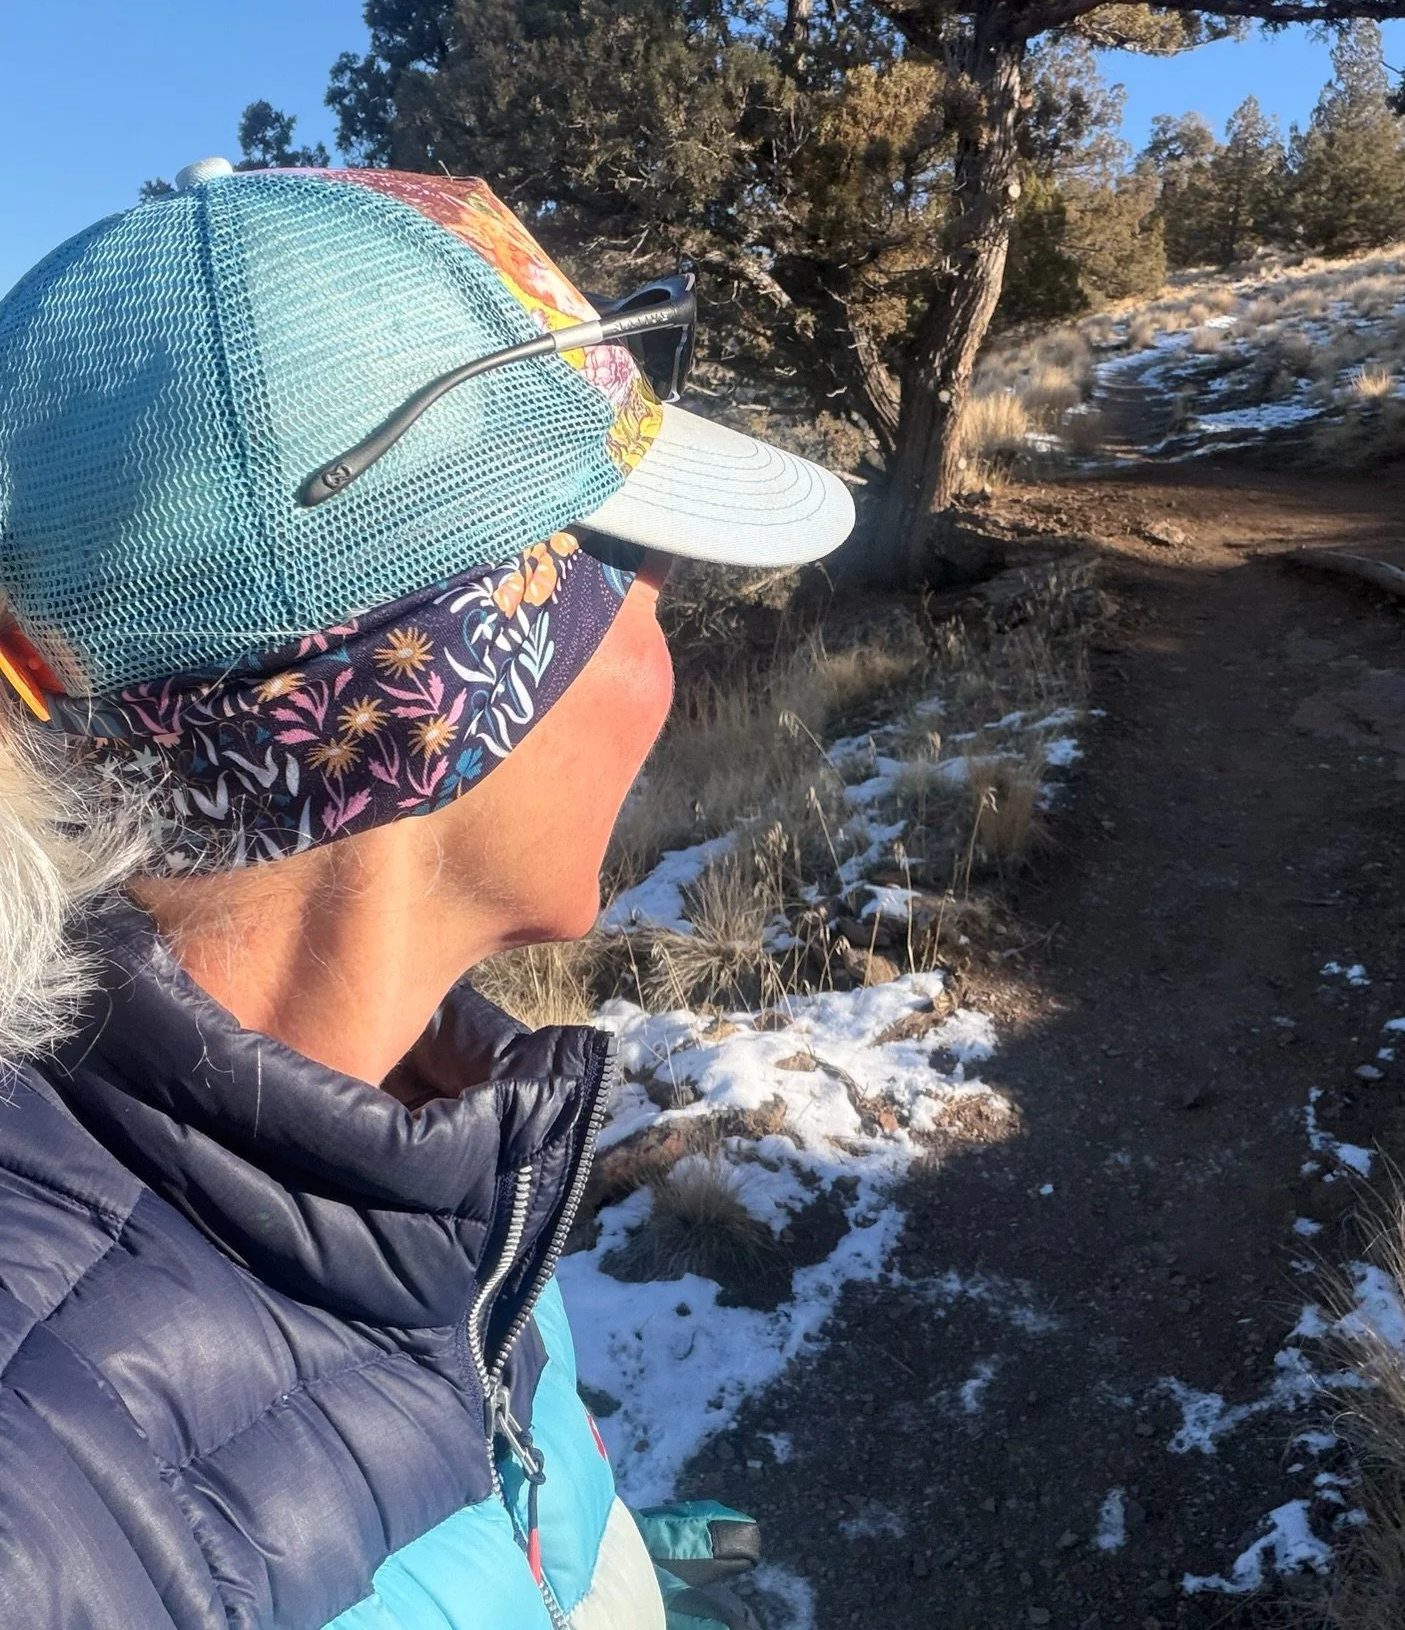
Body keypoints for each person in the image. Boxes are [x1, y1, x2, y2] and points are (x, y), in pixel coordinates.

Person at [0, 160, 853, 1627]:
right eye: (639, 568)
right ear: (440, 704)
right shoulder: (52, 1519)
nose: (671, 655)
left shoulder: (417, 1138)